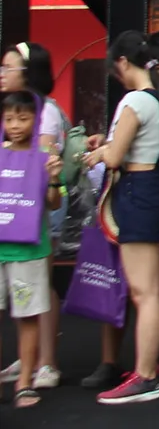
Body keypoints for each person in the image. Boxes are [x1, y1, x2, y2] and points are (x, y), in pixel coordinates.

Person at [85, 31, 159, 405]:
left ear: (124, 62)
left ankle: (145, 376)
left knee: (144, 293)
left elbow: (116, 158)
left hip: (139, 191)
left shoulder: (135, 100)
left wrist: (99, 153)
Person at [0, 42, 68, 394]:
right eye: (9, 119)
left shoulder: (47, 120)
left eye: (8, 67)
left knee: (30, 307)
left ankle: (36, 370)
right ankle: (26, 366)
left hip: (29, 240)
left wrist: (52, 176)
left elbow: (53, 200)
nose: (15, 125)